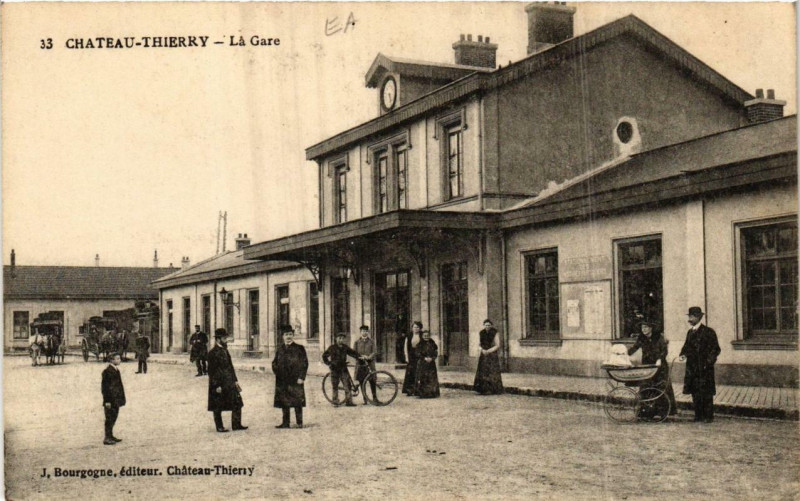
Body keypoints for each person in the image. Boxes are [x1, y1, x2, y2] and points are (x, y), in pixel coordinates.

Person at [679, 307, 721, 423]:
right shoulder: (690, 332)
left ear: (698, 317)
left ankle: (708, 416)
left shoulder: (708, 332)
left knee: (706, 392)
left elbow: (715, 349)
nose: (690, 319)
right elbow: (686, 346)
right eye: (689, 316)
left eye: (692, 316)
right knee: (695, 391)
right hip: (692, 367)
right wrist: (683, 354)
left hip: (704, 367)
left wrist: (708, 362)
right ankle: (698, 416)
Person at [627, 319, 677, 417]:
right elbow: (634, 348)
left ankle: (664, 412)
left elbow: (664, 351)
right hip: (647, 365)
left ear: (651, 328)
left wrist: (659, 359)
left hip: (660, 366)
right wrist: (624, 354)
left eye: (646, 327)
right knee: (646, 386)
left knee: (661, 387)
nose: (644, 330)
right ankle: (647, 412)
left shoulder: (659, 337)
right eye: (642, 328)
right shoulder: (641, 338)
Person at [207, 328, 247, 432]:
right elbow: (211, 371)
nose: (226, 340)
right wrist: (216, 385)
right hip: (219, 383)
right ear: (218, 339)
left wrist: (235, 380)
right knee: (217, 405)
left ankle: (236, 424)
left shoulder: (225, 350)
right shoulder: (212, 353)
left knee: (237, 402)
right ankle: (219, 426)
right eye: (224, 338)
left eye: (226, 338)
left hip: (229, 381)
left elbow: (230, 367)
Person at [272, 326, 308, 428]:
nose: (288, 337)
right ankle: (285, 423)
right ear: (283, 336)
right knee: (284, 401)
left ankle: (299, 422)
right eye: (286, 335)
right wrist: (277, 372)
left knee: (297, 401)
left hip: (295, 379)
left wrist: (302, 377)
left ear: (293, 336)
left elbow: (305, 363)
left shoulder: (299, 348)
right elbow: (274, 363)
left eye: (290, 334)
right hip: (283, 379)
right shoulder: (280, 349)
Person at [322, 332, 361, 407]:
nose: (341, 340)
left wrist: (359, 357)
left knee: (347, 384)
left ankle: (349, 402)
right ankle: (335, 401)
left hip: (343, 368)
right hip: (334, 369)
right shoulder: (332, 348)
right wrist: (329, 363)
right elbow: (324, 356)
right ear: (336, 339)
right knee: (335, 385)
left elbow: (352, 353)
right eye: (339, 338)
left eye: (342, 338)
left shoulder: (345, 347)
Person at [473, 319, 504, 395]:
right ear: (484, 325)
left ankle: (494, 389)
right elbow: (479, 344)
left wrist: (489, 351)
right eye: (486, 325)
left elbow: (497, 345)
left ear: (491, 325)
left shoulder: (495, 332)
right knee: (483, 371)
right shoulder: (481, 333)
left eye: (489, 325)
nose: (487, 327)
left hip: (492, 354)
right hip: (483, 353)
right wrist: (482, 350)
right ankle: (483, 389)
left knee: (492, 371)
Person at [101, 352, 126, 445]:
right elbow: (105, 388)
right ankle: (107, 437)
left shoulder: (116, 370)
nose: (119, 360)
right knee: (109, 418)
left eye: (119, 358)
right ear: (111, 360)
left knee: (114, 417)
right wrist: (107, 400)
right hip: (110, 400)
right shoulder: (107, 371)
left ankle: (110, 436)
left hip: (116, 399)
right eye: (117, 358)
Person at [354, 325, 377, 405]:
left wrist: (368, 357)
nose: (365, 333)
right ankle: (365, 399)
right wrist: (360, 357)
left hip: (370, 364)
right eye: (363, 331)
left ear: (368, 332)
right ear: (360, 332)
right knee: (361, 382)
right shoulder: (357, 342)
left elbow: (374, 352)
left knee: (372, 381)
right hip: (360, 365)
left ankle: (375, 398)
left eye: (366, 331)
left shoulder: (371, 342)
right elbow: (354, 353)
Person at [414, 329, 440, 398]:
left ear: (429, 336)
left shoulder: (432, 343)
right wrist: (424, 358)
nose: (426, 337)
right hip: (423, 363)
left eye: (427, 336)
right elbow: (417, 353)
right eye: (424, 336)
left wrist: (432, 358)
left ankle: (432, 393)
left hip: (431, 364)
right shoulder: (419, 344)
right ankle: (422, 393)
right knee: (422, 378)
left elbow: (435, 352)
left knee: (431, 378)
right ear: (422, 336)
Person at [402, 321, 423, 396]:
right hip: (411, 356)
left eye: (417, 327)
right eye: (414, 327)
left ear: (420, 328)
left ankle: (418, 390)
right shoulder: (409, 336)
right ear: (412, 328)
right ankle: (409, 390)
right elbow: (405, 347)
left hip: (420, 355)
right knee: (410, 373)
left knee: (419, 372)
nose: (416, 329)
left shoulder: (422, 335)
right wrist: (407, 357)